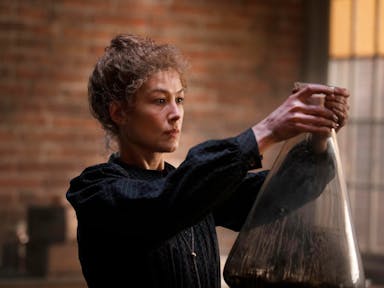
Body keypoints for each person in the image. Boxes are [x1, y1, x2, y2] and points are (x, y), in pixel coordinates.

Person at [66, 34, 349, 288]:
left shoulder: (192, 187)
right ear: (119, 113)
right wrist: (268, 130)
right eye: (160, 101)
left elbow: (271, 196)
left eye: (180, 99)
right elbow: (163, 204)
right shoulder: (94, 192)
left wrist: (318, 136)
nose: (176, 113)